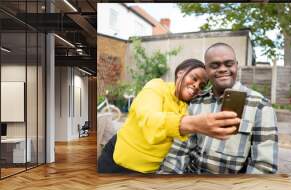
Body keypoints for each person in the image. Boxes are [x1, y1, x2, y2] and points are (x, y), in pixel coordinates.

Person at [97, 58, 241, 173]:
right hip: (116, 163)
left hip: (151, 173)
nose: (197, 86)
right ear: (180, 72)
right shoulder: (157, 87)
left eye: (202, 85)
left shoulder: (190, 107)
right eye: (194, 78)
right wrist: (192, 124)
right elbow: (150, 120)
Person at [158, 43, 279, 174]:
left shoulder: (260, 106)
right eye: (215, 65)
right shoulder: (196, 102)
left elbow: (263, 167)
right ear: (206, 69)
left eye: (228, 64)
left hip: (230, 189)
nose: (222, 69)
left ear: (236, 65)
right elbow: (180, 151)